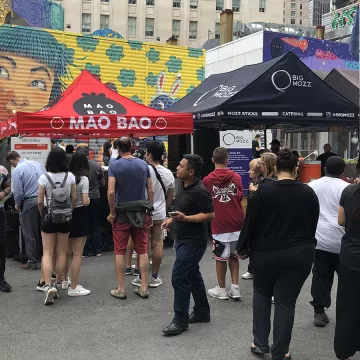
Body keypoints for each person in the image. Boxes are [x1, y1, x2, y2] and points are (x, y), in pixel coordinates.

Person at [237, 148, 319, 360]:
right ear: (296, 168)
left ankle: (260, 342)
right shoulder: (308, 193)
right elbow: (312, 224)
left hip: (266, 252)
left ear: (275, 167)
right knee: (285, 302)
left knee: (262, 294)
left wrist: (243, 247)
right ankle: (281, 351)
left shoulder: (262, 192)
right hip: (300, 253)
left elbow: (250, 224)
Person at [162, 154, 214, 336]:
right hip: (182, 238)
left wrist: (186, 218)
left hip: (194, 242)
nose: (177, 168)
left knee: (179, 277)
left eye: (182, 166)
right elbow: (181, 209)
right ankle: (202, 311)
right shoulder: (182, 185)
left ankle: (180, 320)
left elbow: (210, 215)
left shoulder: (200, 191)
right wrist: (171, 220)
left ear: (191, 171)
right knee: (192, 275)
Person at [107, 137, 154, 300]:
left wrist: (112, 212)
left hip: (122, 213)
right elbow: (151, 189)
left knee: (119, 250)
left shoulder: (114, 165)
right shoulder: (143, 164)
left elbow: (111, 191)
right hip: (141, 212)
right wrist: (150, 210)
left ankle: (120, 288)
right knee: (142, 249)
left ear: (118, 149)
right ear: (132, 147)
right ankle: (143, 286)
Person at [308, 157, 348, 327]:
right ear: (343, 172)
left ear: (324, 169)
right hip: (341, 240)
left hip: (319, 239)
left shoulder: (312, 186)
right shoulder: (347, 189)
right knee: (347, 279)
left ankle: (319, 310)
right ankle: (346, 312)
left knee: (320, 275)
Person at [132, 140, 175, 288]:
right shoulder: (168, 173)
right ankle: (155, 277)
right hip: (159, 214)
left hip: (143, 212)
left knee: (141, 244)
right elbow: (170, 197)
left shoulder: (142, 170)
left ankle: (139, 276)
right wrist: (164, 207)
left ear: (148, 154)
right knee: (157, 243)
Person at [203, 147, 244, 300]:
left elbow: (205, 201)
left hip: (220, 222)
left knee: (220, 257)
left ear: (212, 160)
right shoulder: (237, 177)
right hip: (237, 221)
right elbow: (239, 196)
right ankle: (235, 287)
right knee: (234, 255)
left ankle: (221, 289)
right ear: (227, 160)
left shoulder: (207, 180)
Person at [38, 148, 76, 305]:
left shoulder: (44, 177)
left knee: (47, 252)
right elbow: (74, 199)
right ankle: (56, 283)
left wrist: (43, 214)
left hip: (49, 217)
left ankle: (47, 286)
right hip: (66, 218)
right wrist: (69, 211)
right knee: (62, 252)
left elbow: (40, 201)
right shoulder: (71, 177)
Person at [334, 179, 360, 360]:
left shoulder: (349, 191)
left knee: (347, 306)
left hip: (351, 256)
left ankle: (344, 350)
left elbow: (341, 220)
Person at [6, 151, 44, 270]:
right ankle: (44, 257)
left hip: (29, 202)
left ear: (12, 160)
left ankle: (32, 261)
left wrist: (17, 203)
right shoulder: (37, 164)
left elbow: (18, 190)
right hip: (43, 200)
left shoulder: (17, 170)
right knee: (42, 231)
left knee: (29, 233)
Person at [63, 151, 91, 296]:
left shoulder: (67, 177)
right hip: (80, 214)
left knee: (66, 252)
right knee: (78, 253)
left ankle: (63, 280)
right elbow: (85, 201)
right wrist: (88, 199)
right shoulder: (84, 179)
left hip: (66, 214)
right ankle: (74, 286)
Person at [78, 146, 105, 257]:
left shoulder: (76, 167)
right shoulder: (97, 165)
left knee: (84, 224)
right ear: (89, 154)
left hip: (81, 199)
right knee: (95, 224)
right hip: (95, 197)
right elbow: (103, 183)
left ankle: (84, 251)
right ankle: (98, 250)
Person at [242, 158, 263, 280]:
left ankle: (255, 269)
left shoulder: (262, 184)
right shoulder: (254, 183)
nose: (248, 172)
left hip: (260, 218)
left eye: (251, 169)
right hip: (253, 216)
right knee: (252, 242)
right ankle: (251, 269)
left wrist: (255, 192)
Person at [0, 165, 11, 292]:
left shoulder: (2, 170)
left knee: (1, 245)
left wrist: (3, 193)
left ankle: (1, 279)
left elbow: (7, 187)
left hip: (0, 211)